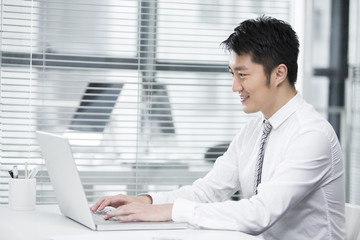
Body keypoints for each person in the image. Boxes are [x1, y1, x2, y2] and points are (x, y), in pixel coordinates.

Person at [91, 16, 346, 239]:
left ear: (279, 73)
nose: (235, 87)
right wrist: (147, 202)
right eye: (232, 74)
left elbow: (260, 213)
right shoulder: (254, 130)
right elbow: (208, 191)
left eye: (243, 75)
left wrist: (168, 211)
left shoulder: (311, 136)